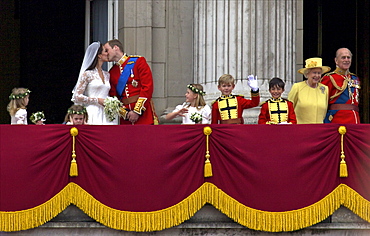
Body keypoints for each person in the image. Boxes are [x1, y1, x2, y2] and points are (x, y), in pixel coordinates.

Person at [104, 39, 157, 125]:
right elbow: (114, 97)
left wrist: (137, 111)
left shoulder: (138, 62)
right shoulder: (112, 72)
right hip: (126, 119)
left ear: (115, 48)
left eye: (107, 50)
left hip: (143, 114)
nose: (106, 53)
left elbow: (147, 87)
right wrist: (125, 113)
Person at [72, 42, 118, 125]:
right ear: (99, 55)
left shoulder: (107, 74)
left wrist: (111, 102)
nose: (108, 53)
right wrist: (97, 100)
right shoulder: (87, 74)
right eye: (105, 51)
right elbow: (77, 96)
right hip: (93, 112)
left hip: (106, 113)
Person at [320, 48, 361, 123]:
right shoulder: (329, 78)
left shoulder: (354, 78)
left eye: (348, 57)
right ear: (336, 60)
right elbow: (321, 102)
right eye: (343, 57)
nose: (346, 60)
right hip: (337, 119)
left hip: (355, 118)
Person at [288, 57, 330, 124]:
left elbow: (324, 111)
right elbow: (289, 109)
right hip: (301, 129)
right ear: (307, 74)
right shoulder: (297, 87)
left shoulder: (324, 89)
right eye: (314, 72)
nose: (317, 75)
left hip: (319, 130)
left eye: (319, 73)